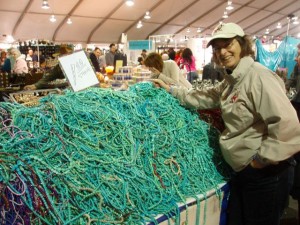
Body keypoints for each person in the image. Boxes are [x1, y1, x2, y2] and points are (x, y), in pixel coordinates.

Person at [151, 22, 300, 225]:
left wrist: (259, 160)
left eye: (228, 44)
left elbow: (288, 127)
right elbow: (204, 96)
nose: (222, 51)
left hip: (265, 176)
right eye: (217, 47)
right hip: (244, 173)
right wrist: (170, 90)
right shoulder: (232, 79)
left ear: (242, 44)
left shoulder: (258, 76)